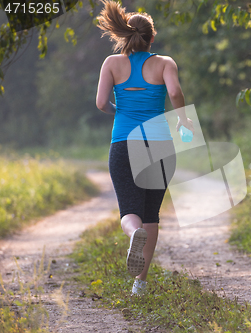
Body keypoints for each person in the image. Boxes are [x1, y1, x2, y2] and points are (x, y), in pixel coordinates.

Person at [95, 0, 194, 295]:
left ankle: (132, 233)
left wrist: (121, 112)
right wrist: (183, 120)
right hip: (160, 143)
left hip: (124, 142)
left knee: (130, 208)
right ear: (152, 38)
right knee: (151, 214)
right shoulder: (165, 62)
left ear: (124, 37)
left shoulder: (111, 64)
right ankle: (141, 284)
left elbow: (100, 103)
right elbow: (174, 91)